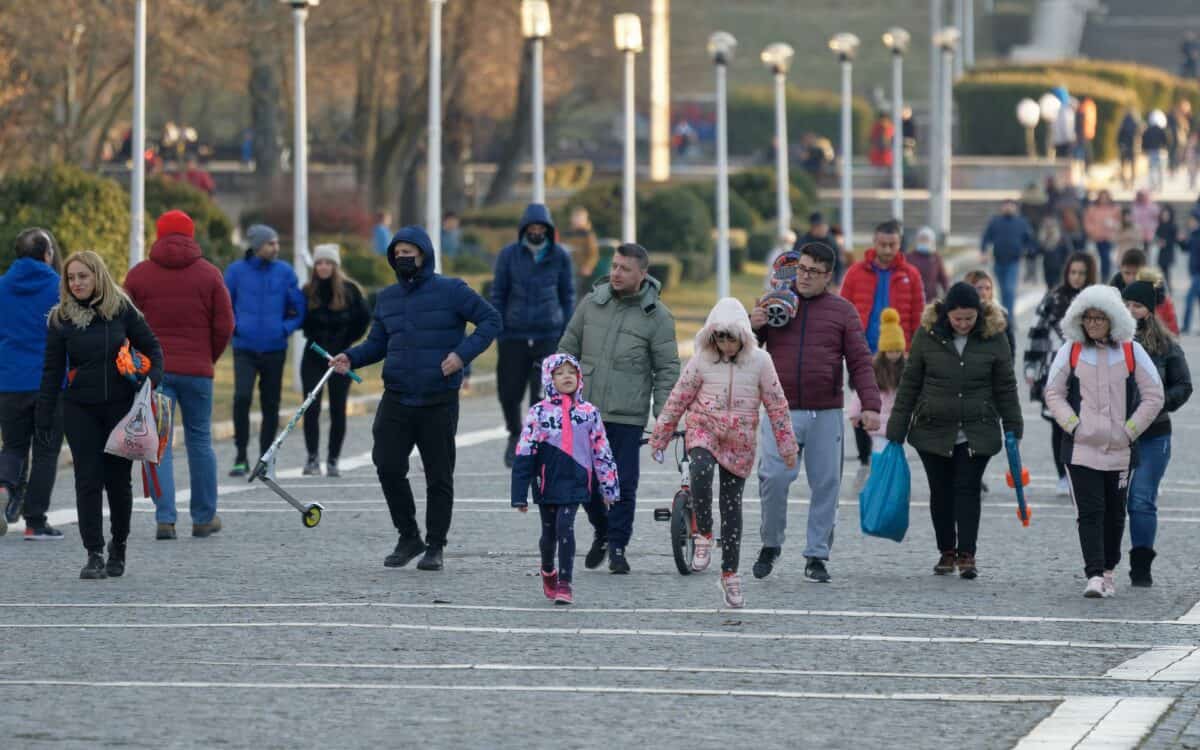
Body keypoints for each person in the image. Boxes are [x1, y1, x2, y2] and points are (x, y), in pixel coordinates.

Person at [332, 226, 500, 571]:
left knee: (439, 475)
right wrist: (351, 357)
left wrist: (461, 355)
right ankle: (408, 535)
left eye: (410, 251)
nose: (403, 257)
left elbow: (490, 320)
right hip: (396, 396)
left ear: (424, 254)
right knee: (387, 464)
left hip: (438, 398)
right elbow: (377, 344)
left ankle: (435, 545)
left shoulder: (452, 290)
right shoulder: (387, 298)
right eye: (397, 252)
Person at [648, 298, 798, 607]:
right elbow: (679, 397)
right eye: (719, 337)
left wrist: (786, 445)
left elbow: (776, 404)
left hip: (739, 440)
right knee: (700, 470)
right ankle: (703, 532)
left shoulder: (760, 361)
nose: (725, 344)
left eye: (731, 337)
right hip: (704, 428)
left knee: (732, 506)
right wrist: (661, 435)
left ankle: (729, 574)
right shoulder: (702, 359)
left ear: (743, 335)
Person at [751, 243, 881, 583]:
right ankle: (770, 544)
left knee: (826, 485)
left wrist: (869, 404)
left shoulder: (843, 312)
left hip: (826, 411)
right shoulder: (775, 302)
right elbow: (744, 350)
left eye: (813, 272)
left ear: (828, 276)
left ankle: (817, 555)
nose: (805, 276)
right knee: (774, 479)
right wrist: (753, 326)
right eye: (802, 269)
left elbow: (860, 361)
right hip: (781, 410)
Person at [37, 251, 164, 579]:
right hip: (79, 408)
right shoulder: (60, 318)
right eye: (71, 278)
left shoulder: (121, 309)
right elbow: (51, 372)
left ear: (98, 276)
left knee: (119, 483)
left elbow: (154, 350)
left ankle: (117, 546)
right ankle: (93, 551)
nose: (76, 283)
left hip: (122, 408)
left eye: (83, 276)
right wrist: (44, 415)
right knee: (87, 479)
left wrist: (148, 385)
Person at [887, 282, 1022, 580]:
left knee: (967, 488)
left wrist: (1014, 425)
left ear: (979, 314)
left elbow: (1005, 385)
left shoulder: (994, 336)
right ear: (946, 314)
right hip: (933, 427)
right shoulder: (928, 334)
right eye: (957, 318)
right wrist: (896, 427)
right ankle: (947, 550)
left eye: (969, 319)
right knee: (941, 491)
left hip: (977, 428)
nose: (962, 324)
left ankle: (967, 554)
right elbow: (910, 382)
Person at [558, 243, 680, 574]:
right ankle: (602, 530)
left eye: (625, 268)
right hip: (586, 412)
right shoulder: (591, 304)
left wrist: (663, 415)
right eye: (614, 266)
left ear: (642, 274)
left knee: (622, 484)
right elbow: (566, 351)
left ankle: (617, 546)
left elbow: (667, 369)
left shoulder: (658, 317)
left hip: (627, 415)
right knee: (585, 483)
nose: (616, 273)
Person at [1043, 286, 1164, 598]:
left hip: (1121, 450)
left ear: (1113, 319)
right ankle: (1094, 574)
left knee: (1114, 514)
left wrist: (1129, 430)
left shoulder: (1131, 351)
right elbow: (1053, 392)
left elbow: (1154, 396)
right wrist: (1073, 425)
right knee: (1090, 512)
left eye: (1099, 318)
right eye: (1088, 318)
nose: (1093, 323)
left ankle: (1109, 569)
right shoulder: (1070, 350)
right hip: (1081, 448)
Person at [125, 210, 234, 540]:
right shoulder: (210, 274)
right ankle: (203, 517)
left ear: (158, 234)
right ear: (191, 233)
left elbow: (124, 323)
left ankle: (166, 518)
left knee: (159, 446)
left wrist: (140, 362)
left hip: (155, 374)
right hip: (198, 371)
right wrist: (207, 357)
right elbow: (225, 324)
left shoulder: (139, 276)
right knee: (201, 441)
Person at [511, 353, 619, 606]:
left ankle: (565, 583)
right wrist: (519, 494)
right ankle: (548, 569)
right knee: (548, 534)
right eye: (559, 373)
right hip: (547, 482)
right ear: (549, 380)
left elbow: (602, 451)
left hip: (577, 482)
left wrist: (609, 488)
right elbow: (524, 452)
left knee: (565, 527)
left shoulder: (589, 412)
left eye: (571, 372)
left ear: (579, 377)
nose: (566, 377)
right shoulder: (538, 413)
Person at [492, 204, 574, 468]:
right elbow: (498, 293)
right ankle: (514, 433)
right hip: (513, 334)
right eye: (532, 228)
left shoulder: (560, 256)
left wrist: (566, 332)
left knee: (542, 393)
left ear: (548, 231)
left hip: (547, 333)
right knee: (509, 390)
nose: (536, 232)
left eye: (541, 229)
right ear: (524, 230)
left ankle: (536, 442)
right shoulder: (508, 256)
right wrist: (499, 328)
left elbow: (567, 294)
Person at [1122, 277, 1193, 587]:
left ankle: (1141, 565)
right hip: (1112, 435)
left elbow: (1184, 385)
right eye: (1125, 305)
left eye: (1136, 306)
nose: (1130, 310)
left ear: (1149, 311)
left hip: (1154, 434)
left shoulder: (1165, 345)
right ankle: (1101, 566)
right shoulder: (1105, 340)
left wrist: (1160, 402)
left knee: (1140, 498)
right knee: (1109, 503)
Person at [223, 225, 305, 477]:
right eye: (271, 243)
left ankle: (265, 458)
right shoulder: (236, 272)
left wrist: (285, 329)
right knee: (242, 398)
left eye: (277, 243)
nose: (276, 247)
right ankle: (240, 456)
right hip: (244, 347)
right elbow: (225, 304)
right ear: (257, 245)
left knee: (271, 404)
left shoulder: (285, 272)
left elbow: (298, 307)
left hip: (274, 348)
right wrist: (235, 329)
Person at [840, 219, 924, 466]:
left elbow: (918, 315)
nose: (887, 250)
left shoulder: (911, 275)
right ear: (874, 243)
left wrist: (914, 350)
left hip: (897, 353)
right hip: (862, 350)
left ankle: (890, 445)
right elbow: (843, 308)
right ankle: (865, 454)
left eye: (893, 244)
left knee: (892, 400)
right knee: (860, 398)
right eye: (883, 244)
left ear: (900, 244)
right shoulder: (856, 272)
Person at [0, 229, 65, 539]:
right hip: (48, 382)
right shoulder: (60, 287)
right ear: (47, 254)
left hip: (9, 380)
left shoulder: (1, 286)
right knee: (46, 451)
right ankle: (35, 521)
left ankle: (3, 488)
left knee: (13, 446)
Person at [1025, 252, 1097, 494]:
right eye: (1073, 272)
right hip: (1055, 371)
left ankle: (1083, 471)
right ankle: (1063, 475)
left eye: (1081, 273)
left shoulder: (1096, 301)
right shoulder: (1053, 299)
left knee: (1085, 424)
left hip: (1089, 374)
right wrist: (1031, 367)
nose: (1076, 277)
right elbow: (1037, 332)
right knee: (1059, 425)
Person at [300, 244, 370, 478]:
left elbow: (363, 320)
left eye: (328, 263)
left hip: (340, 358)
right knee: (311, 405)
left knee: (338, 408)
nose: (323, 267)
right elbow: (302, 321)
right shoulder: (307, 291)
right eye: (319, 263)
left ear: (335, 265)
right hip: (314, 356)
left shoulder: (350, 291)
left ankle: (332, 460)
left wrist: (348, 346)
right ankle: (312, 458)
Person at [847, 308, 905, 455]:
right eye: (890, 351)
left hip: (896, 422)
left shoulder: (906, 368)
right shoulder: (874, 368)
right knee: (881, 453)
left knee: (893, 455)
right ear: (884, 350)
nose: (894, 355)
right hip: (877, 420)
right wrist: (855, 413)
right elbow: (861, 392)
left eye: (897, 351)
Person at [980, 199, 1036, 319]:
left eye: (1011, 206)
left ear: (1015, 208)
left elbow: (1030, 240)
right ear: (1002, 208)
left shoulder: (1021, 222)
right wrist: (983, 251)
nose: (1008, 208)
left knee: (1009, 289)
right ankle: (1004, 315)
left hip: (1013, 262)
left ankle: (1008, 319)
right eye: (1006, 206)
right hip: (998, 261)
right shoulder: (995, 222)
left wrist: (1029, 251)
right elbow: (986, 237)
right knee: (1002, 290)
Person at [1111, 248, 1181, 335]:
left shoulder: (1159, 296)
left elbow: (1173, 332)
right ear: (1121, 271)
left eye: (1136, 273)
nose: (1131, 278)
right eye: (1127, 273)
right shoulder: (1112, 295)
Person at [964, 269, 1016, 356]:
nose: (984, 293)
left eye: (988, 288)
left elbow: (1010, 349)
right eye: (979, 288)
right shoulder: (959, 314)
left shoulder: (1001, 315)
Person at [560, 206, 600, 301]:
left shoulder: (588, 235)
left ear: (586, 220)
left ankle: (573, 303)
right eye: (576, 218)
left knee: (573, 284)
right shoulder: (567, 234)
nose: (578, 221)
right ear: (571, 219)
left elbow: (594, 254)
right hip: (566, 265)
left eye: (581, 218)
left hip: (580, 268)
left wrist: (588, 266)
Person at [1084, 190, 1120, 282]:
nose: (1104, 200)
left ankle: (1106, 276)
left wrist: (1113, 224)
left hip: (1109, 238)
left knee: (1106, 257)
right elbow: (1087, 221)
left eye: (1105, 197)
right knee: (1097, 258)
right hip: (1096, 237)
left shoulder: (1114, 208)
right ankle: (1096, 277)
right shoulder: (1092, 208)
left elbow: (1119, 222)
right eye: (1102, 197)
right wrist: (1092, 232)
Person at [908, 226, 949, 303]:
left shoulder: (936, 258)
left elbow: (943, 278)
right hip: (913, 299)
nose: (924, 241)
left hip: (931, 299)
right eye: (921, 238)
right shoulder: (910, 257)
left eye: (926, 239)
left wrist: (948, 294)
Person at [1155, 204, 1182, 292]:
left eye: (1167, 215)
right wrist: (1158, 242)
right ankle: (1162, 287)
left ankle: (1166, 288)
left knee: (1166, 270)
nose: (1165, 217)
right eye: (1163, 215)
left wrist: (1166, 242)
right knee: (1160, 268)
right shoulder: (1160, 225)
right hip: (1161, 251)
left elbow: (1175, 240)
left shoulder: (1173, 226)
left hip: (1169, 251)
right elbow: (1156, 237)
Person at [1144, 111, 1170, 192]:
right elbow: (1167, 141)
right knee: (1161, 170)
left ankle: (1153, 186)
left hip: (1151, 152)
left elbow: (1144, 141)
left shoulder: (1148, 130)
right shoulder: (1162, 130)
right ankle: (1160, 187)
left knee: (1152, 170)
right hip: (1161, 152)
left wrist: (1145, 149)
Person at [1118, 108, 1142, 189]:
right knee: (1133, 167)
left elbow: (1119, 136)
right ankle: (1132, 182)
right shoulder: (1137, 124)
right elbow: (1140, 136)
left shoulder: (1123, 124)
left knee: (1124, 166)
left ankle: (1124, 182)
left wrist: (1120, 145)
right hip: (1134, 148)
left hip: (1124, 147)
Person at [1185, 212, 1200, 333]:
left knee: (1189, 299)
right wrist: (1180, 241)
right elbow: (1186, 248)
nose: (1190, 223)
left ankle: (1186, 325)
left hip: (1198, 273)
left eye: (1192, 221)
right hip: (1194, 272)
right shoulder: (1193, 234)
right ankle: (1186, 325)